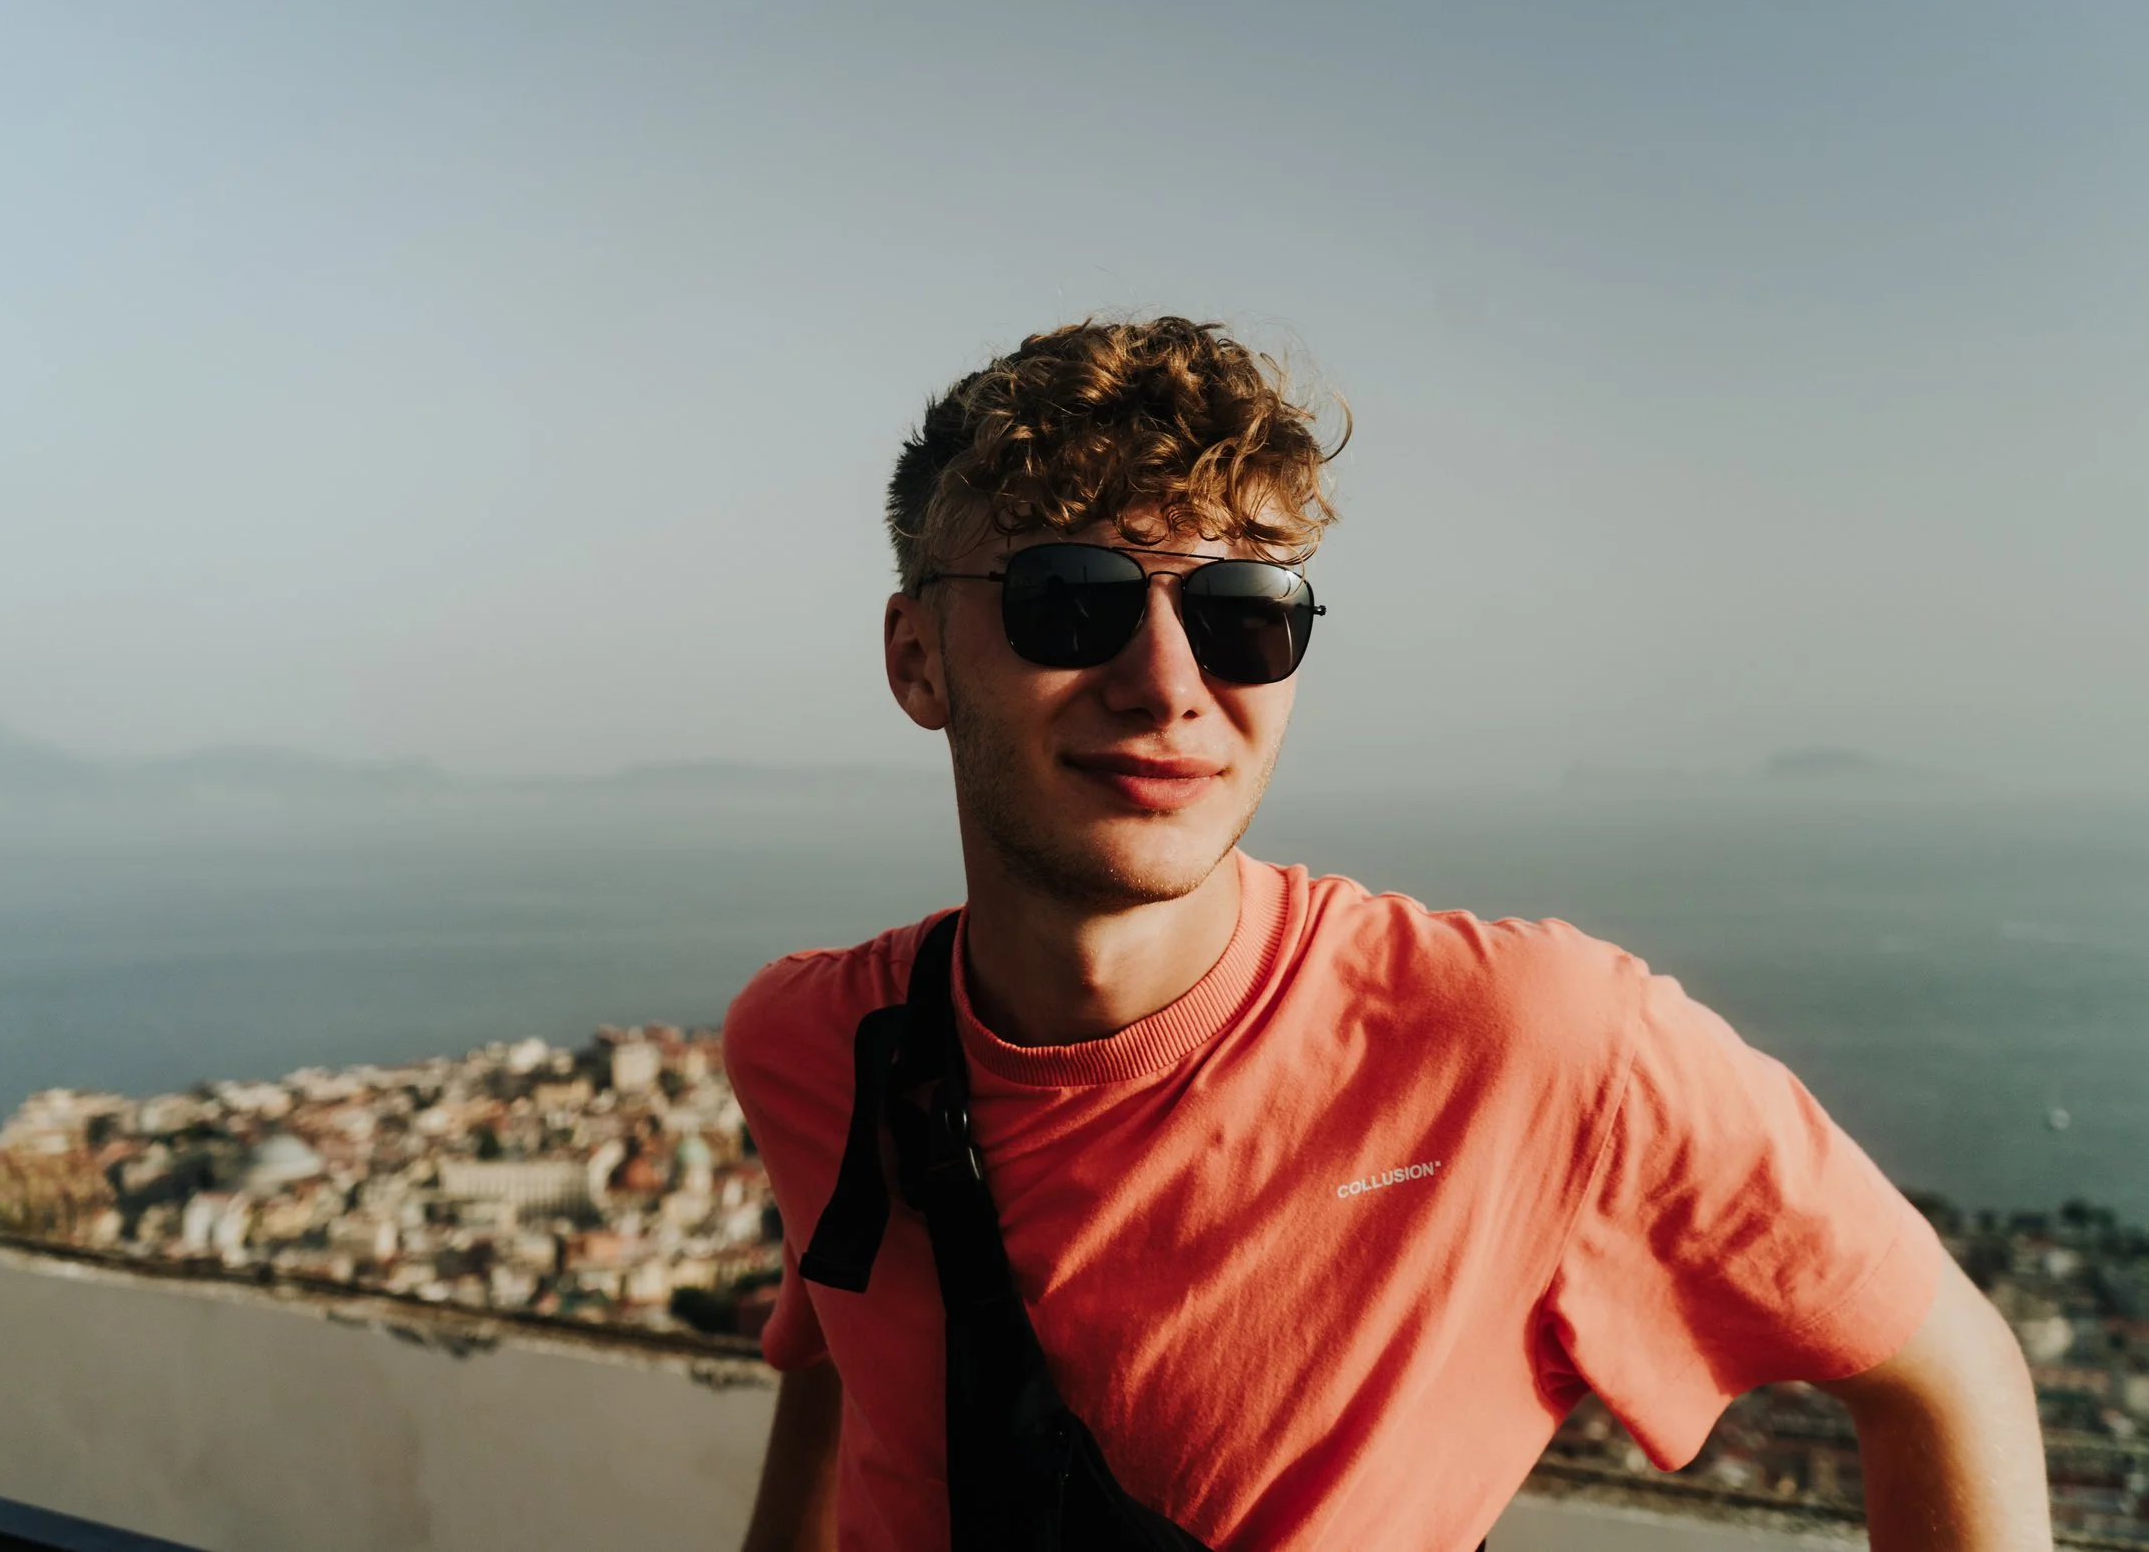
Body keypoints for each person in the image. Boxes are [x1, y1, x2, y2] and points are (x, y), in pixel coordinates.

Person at [722, 317, 2050, 1551]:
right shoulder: (810, 1042)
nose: (1170, 686)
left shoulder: (1532, 1045)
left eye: (1243, 616)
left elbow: (1950, 1370)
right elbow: (850, 1346)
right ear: (917, 659)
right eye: (1071, 600)